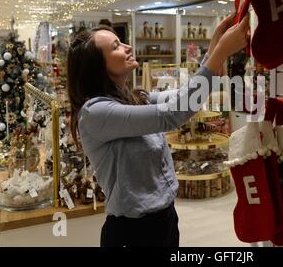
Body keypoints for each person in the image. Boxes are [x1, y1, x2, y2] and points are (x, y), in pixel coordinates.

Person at [67, 13, 249, 247]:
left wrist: (213, 49)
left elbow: (183, 96)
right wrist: (221, 53)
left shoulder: (133, 98)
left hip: (164, 220)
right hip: (132, 233)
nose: (127, 46)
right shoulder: (96, 113)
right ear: (97, 66)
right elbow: (173, 114)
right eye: (116, 46)